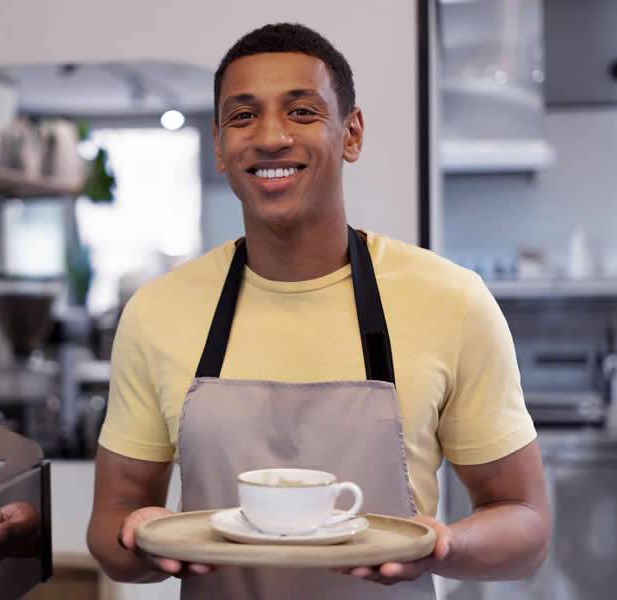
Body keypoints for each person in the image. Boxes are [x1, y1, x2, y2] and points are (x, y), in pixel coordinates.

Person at [86, 22, 550, 599]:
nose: (271, 136)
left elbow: (525, 523)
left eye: (302, 112)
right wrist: (140, 544)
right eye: (242, 115)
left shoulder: (451, 301)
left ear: (351, 134)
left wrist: (443, 544)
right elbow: (111, 523)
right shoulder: (156, 311)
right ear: (218, 146)